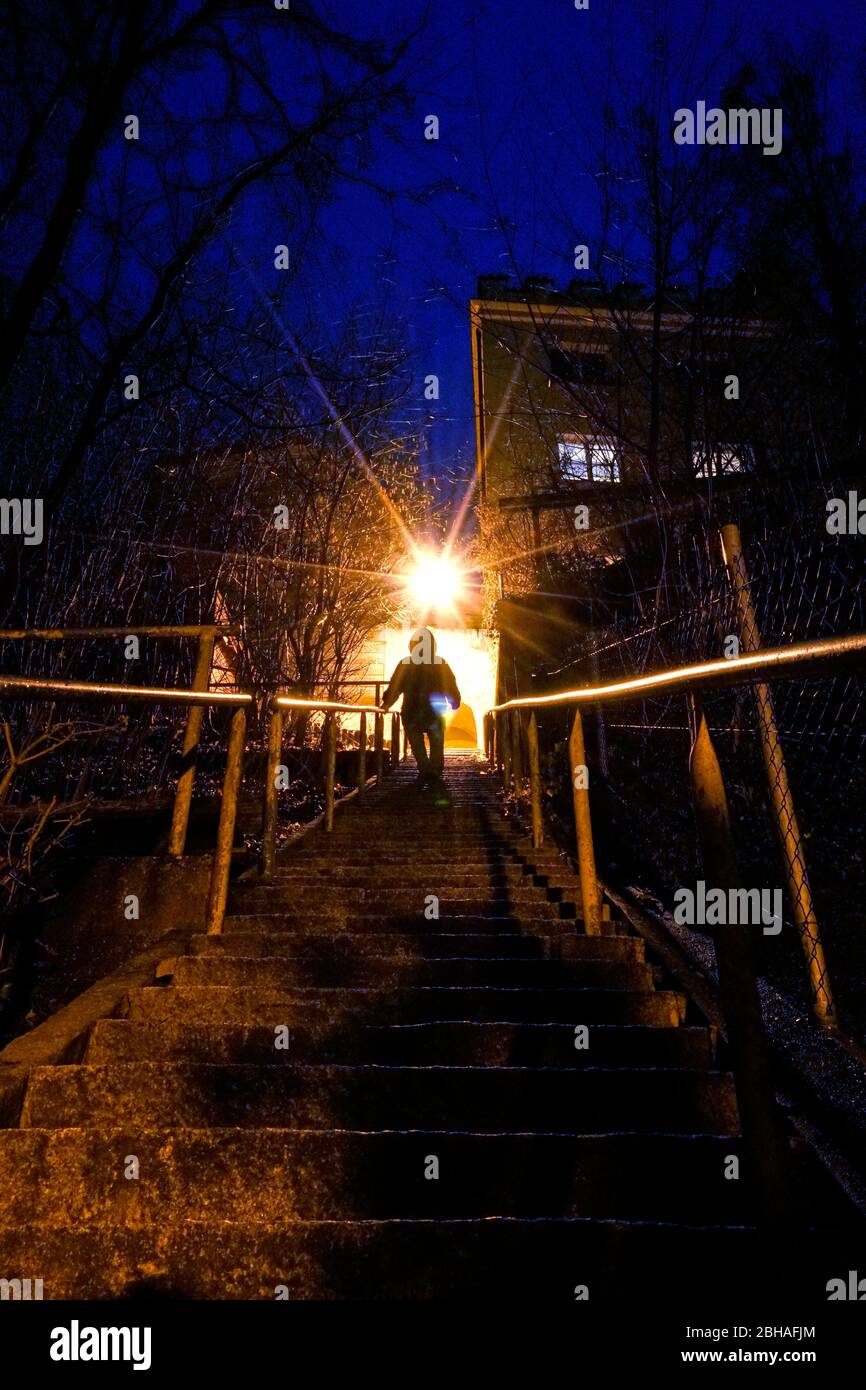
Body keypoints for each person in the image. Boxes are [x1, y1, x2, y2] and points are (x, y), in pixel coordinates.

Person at [381, 628, 461, 787]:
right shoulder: (440, 663)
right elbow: (450, 685)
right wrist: (454, 701)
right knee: (436, 741)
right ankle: (436, 771)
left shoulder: (405, 664)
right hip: (435, 711)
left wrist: (386, 703)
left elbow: (395, 687)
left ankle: (425, 769)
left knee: (416, 741)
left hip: (412, 710)